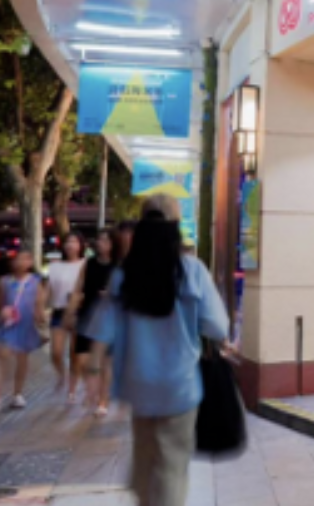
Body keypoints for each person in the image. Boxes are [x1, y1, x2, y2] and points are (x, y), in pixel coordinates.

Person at [87, 195, 228, 506]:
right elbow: (218, 327)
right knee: (171, 466)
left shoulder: (124, 275)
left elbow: (102, 329)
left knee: (145, 456)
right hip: (179, 386)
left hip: (138, 385)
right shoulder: (191, 271)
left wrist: (93, 371)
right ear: (175, 226)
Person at [66, 228, 117, 417]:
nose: (101, 243)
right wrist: (70, 312)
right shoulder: (89, 264)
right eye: (99, 239)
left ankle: (103, 401)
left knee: (105, 362)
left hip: (109, 320)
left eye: (106, 240)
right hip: (87, 317)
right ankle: (93, 391)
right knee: (82, 360)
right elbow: (78, 288)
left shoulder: (118, 266)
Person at [0, 249, 47, 411]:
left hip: (25, 326)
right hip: (8, 325)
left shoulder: (35, 281)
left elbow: (39, 305)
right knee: (3, 357)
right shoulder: (5, 281)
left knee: (22, 360)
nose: (20, 262)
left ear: (30, 263)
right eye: (17, 259)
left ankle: (17, 394)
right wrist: (0, 315)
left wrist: (40, 318)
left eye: (25, 259)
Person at [47, 232, 85, 399]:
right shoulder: (54, 266)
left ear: (81, 245)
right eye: (68, 241)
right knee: (56, 352)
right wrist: (41, 307)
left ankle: (72, 388)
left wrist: (80, 297)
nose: (70, 245)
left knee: (75, 353)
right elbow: (48, 289)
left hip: (79, 312)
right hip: (59, 311)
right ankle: (61, 375)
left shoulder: (85, 264)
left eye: (74, 241)